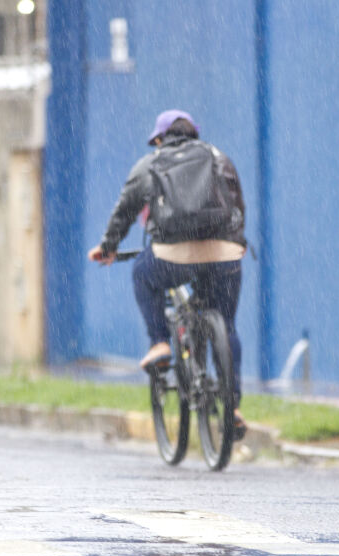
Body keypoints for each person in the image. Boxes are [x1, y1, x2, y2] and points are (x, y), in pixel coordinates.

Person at [87, 109, 247, 432]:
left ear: (159, 139)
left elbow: (125, 211)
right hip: (225, 254)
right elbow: (237, 206)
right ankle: (232, 405)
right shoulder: (220, 158)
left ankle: (159, 341)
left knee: (143, 274)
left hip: (173, 255)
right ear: (194, 134)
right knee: (226, 325)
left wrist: (108, 247)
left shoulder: (149, 164)